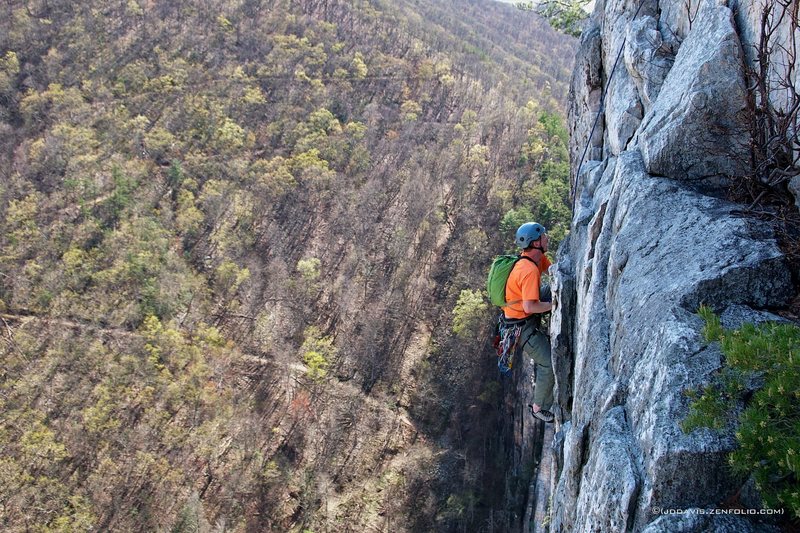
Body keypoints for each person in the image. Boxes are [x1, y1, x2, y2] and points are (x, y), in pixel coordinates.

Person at [503, 222, 555, 423]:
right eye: (544, 235)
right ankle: (538, 407)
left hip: (523, 315)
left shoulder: (537, 259)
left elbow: (553, 272)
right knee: (548, 362)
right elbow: (530, 307)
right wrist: (554, 305)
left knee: (550, 291)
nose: (547, 237)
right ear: (536, 242)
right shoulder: (528, 270)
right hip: (521, 327)